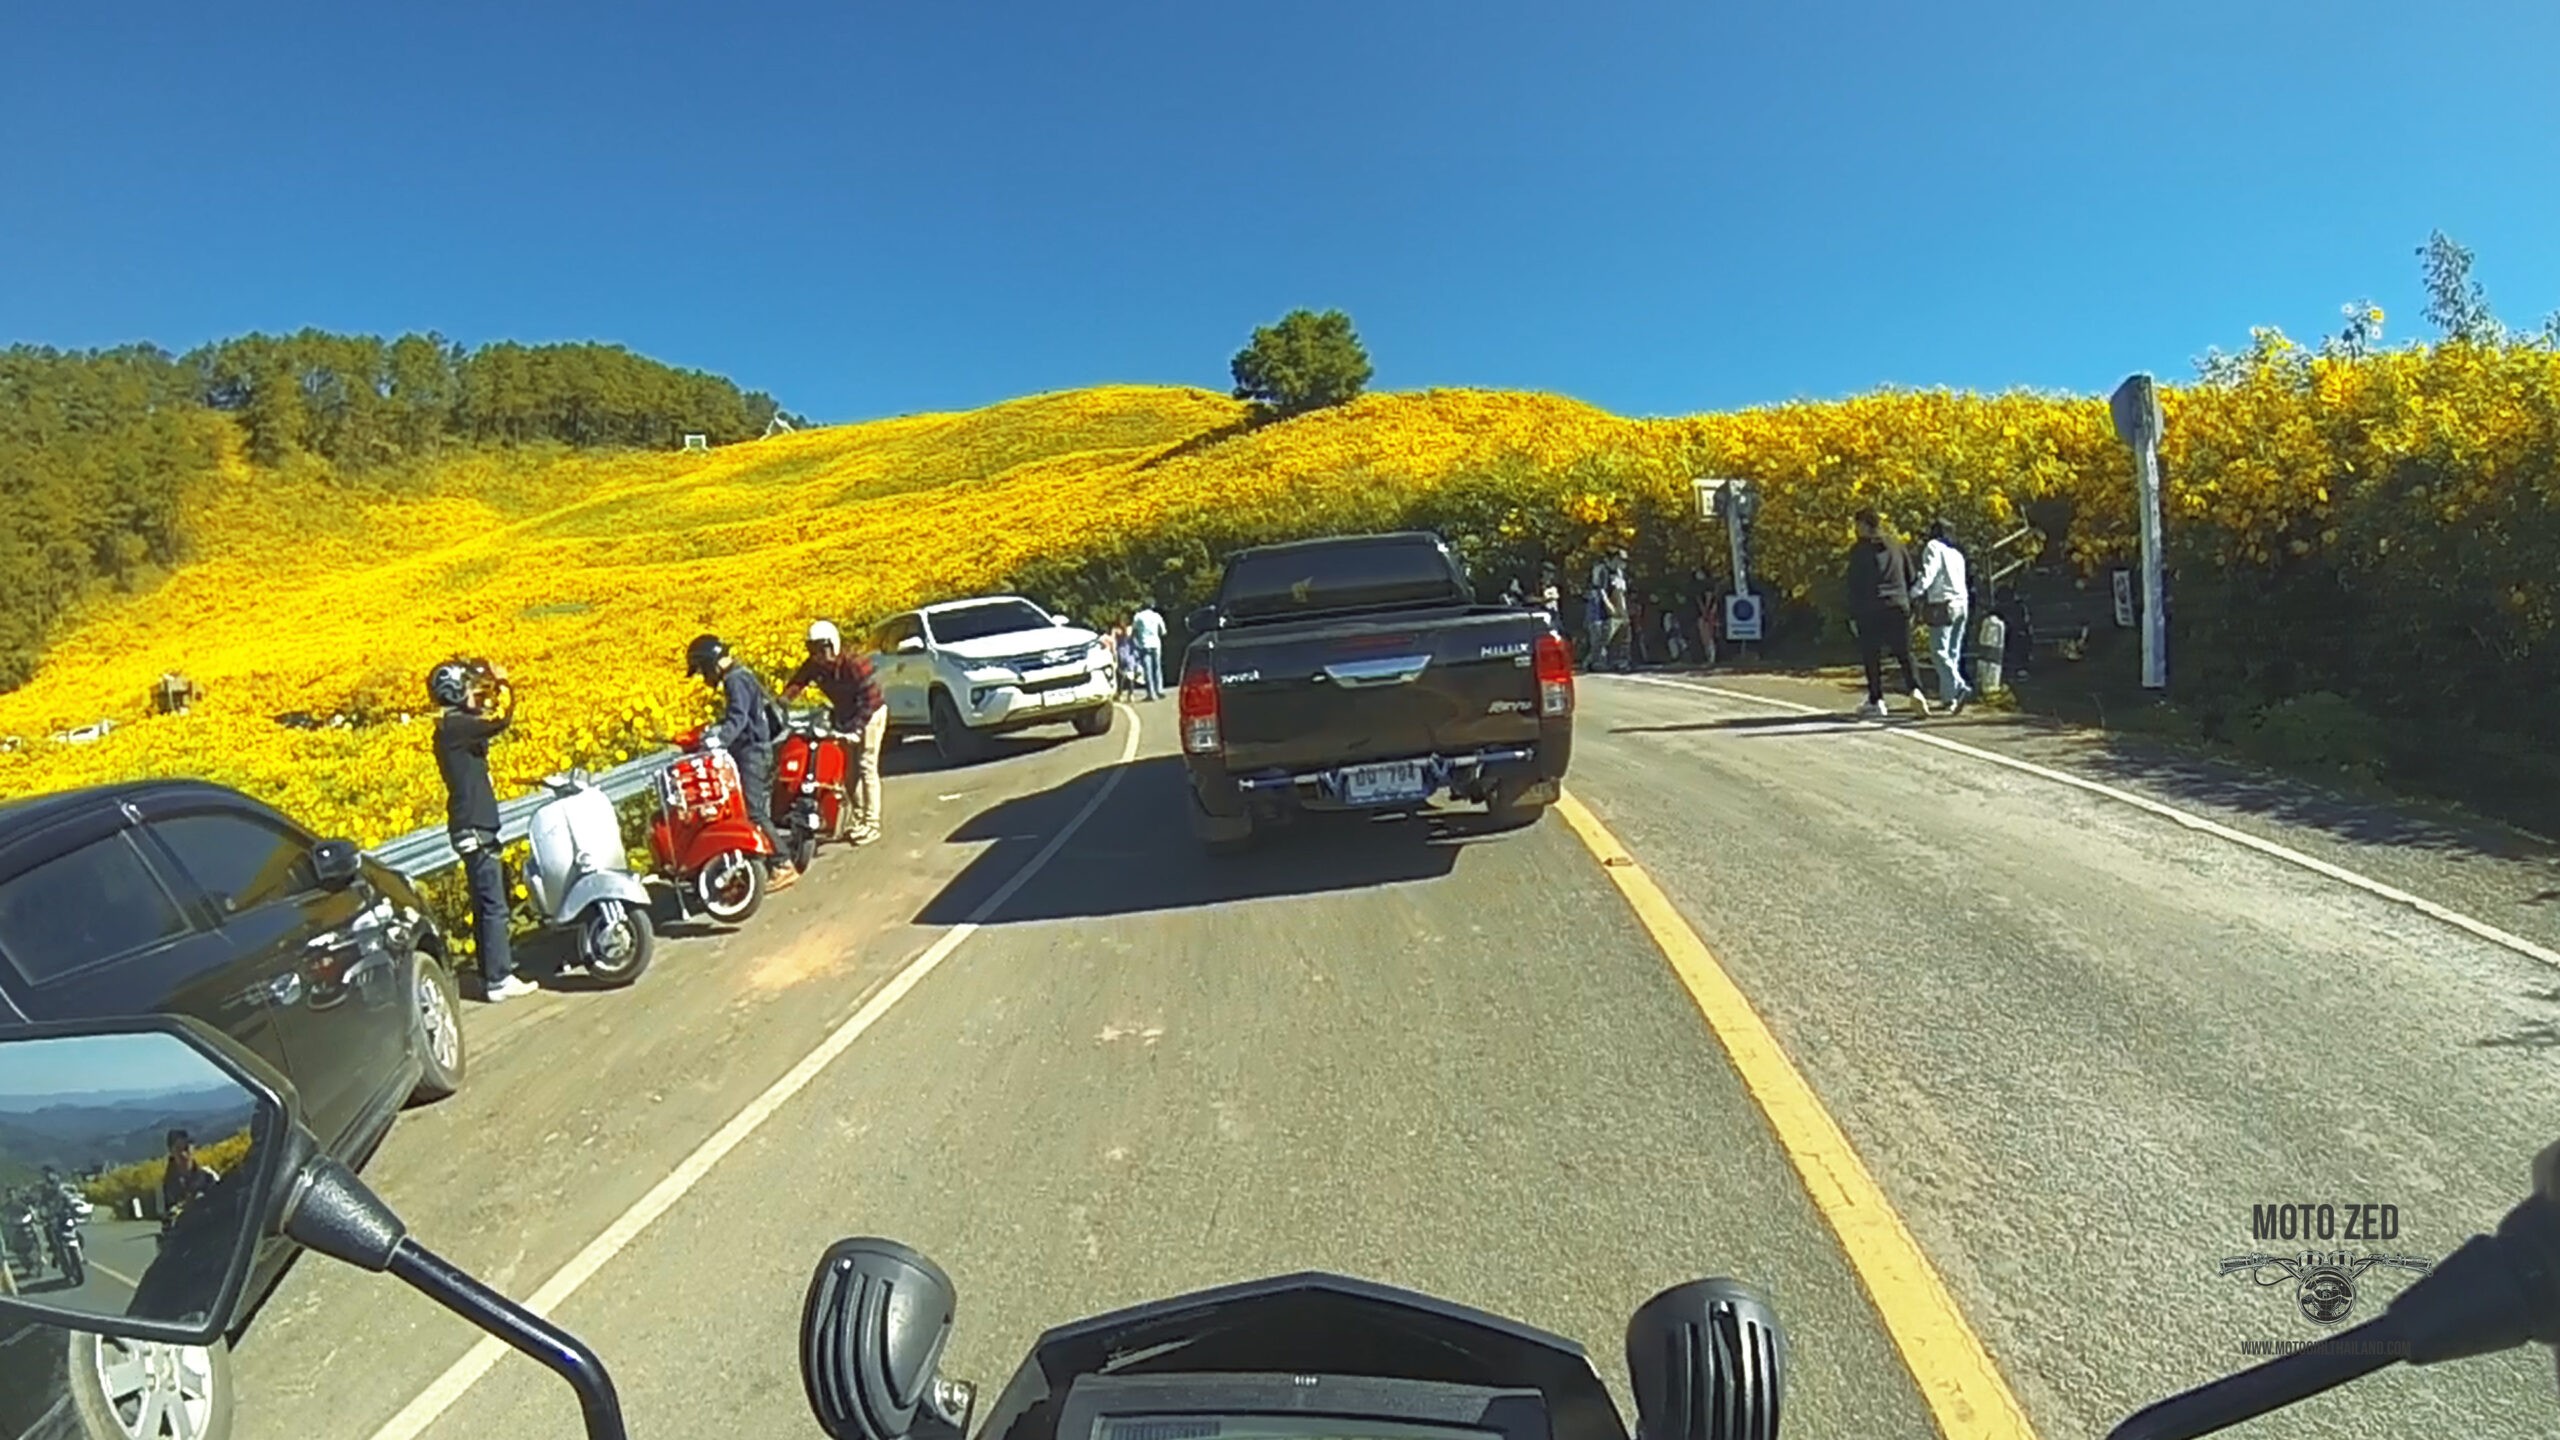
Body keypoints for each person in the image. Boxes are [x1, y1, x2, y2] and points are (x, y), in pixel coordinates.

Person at [430, 658, 539, 1002]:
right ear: (456, 692)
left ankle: (492, 969)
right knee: (493, 903)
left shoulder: (451, 727)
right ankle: (499, 979)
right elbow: (500, 719)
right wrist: (505, 683)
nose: (477, 695)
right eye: (470, 689)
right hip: (475, 825)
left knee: (484, 902)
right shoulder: (456, 726)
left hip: (470, 824)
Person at [687, 634, 799, 891]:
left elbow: (738, 717)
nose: (705, 678)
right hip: (759, 749)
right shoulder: (743, 673)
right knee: (757, 808)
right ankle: (769, 859)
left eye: (703, 670)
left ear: (711, 664)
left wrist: (720, 741)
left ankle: (783, 864)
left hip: (752, 753)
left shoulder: (733, 680)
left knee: (754, 811)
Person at [781, 620, 886, 846]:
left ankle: (872, 823)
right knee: (849, 771)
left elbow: (870, 699)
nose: (819, 655)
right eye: (813, 649)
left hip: (870, 715)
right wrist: (782, 702)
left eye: (823, 648)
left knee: (867, 766)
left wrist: (857, 728)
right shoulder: (815, 665)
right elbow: (798, 682)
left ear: (834, 645)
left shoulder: (854, 663)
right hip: (847, 716)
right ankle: (858, 819)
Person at [1844, 508, 1930, 719]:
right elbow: (1911, 576)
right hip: (1898, 605)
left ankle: (1877, 699)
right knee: (1904, 652)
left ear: (1865, 525)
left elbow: (1854, 585)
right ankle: (1916, 690)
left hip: (1871, 607)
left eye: (1858, 525)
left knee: (1871, 655)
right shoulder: (1897, 546)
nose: (1856, 529)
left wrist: (1852, 614)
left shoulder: (1859, 551)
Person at [1913, 518, 1975, 713]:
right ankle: (1949, 698)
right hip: (1962, 603)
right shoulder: (1957, 553)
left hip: (1943, 604)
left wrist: (1914, 592)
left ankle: (1959, 687)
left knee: (1938, 651)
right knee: (1953, 653)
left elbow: (1929, 574)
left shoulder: (1934, 547)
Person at [156, 1131, 218, 1228]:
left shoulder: (208, 1176)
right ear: (171, 1152)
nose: (183, 1154)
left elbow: (220, 1202)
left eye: (186, 1149)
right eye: (178, 1149)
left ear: (193, 1149)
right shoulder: (164, 1186)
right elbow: (164, 1221)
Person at [1129, 603, 1167, 701]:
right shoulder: (1156, 616)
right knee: (1157, 668)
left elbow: (1134, 631)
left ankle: (1151, 693)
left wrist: (1136, 641)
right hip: (1156, 644)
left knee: (1148, 670)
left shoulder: (1138, 617)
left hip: (1144, 644)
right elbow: (1163, 631)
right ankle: (1159, 690)